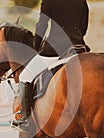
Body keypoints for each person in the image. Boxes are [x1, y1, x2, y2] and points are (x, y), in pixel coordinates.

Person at [11, 0, 90, 128]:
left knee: (25, 76)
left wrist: (36, 46)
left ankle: (25, 117)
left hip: (56, 46)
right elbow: (83, 26)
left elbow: (42, 25)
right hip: (77, 45)